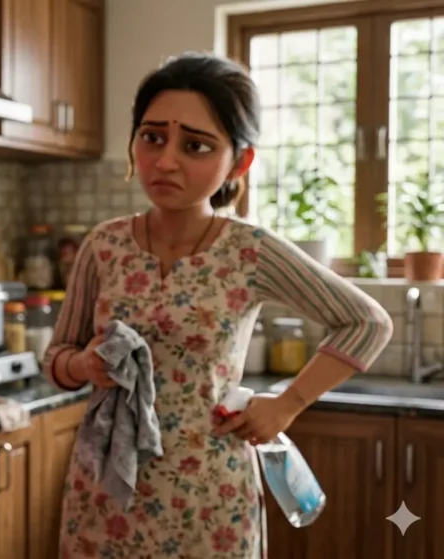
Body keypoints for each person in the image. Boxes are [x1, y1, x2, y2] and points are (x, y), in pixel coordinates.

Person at [43, 52, 393, 558]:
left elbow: (367, 321)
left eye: (196, 145)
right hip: (105, 492)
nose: (166, 160)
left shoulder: (249, 250)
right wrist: (83, 364)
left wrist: (288, 405)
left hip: (209, 496)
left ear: (240, 160)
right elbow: (56, 359)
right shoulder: (103, 245)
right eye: (152, 137)